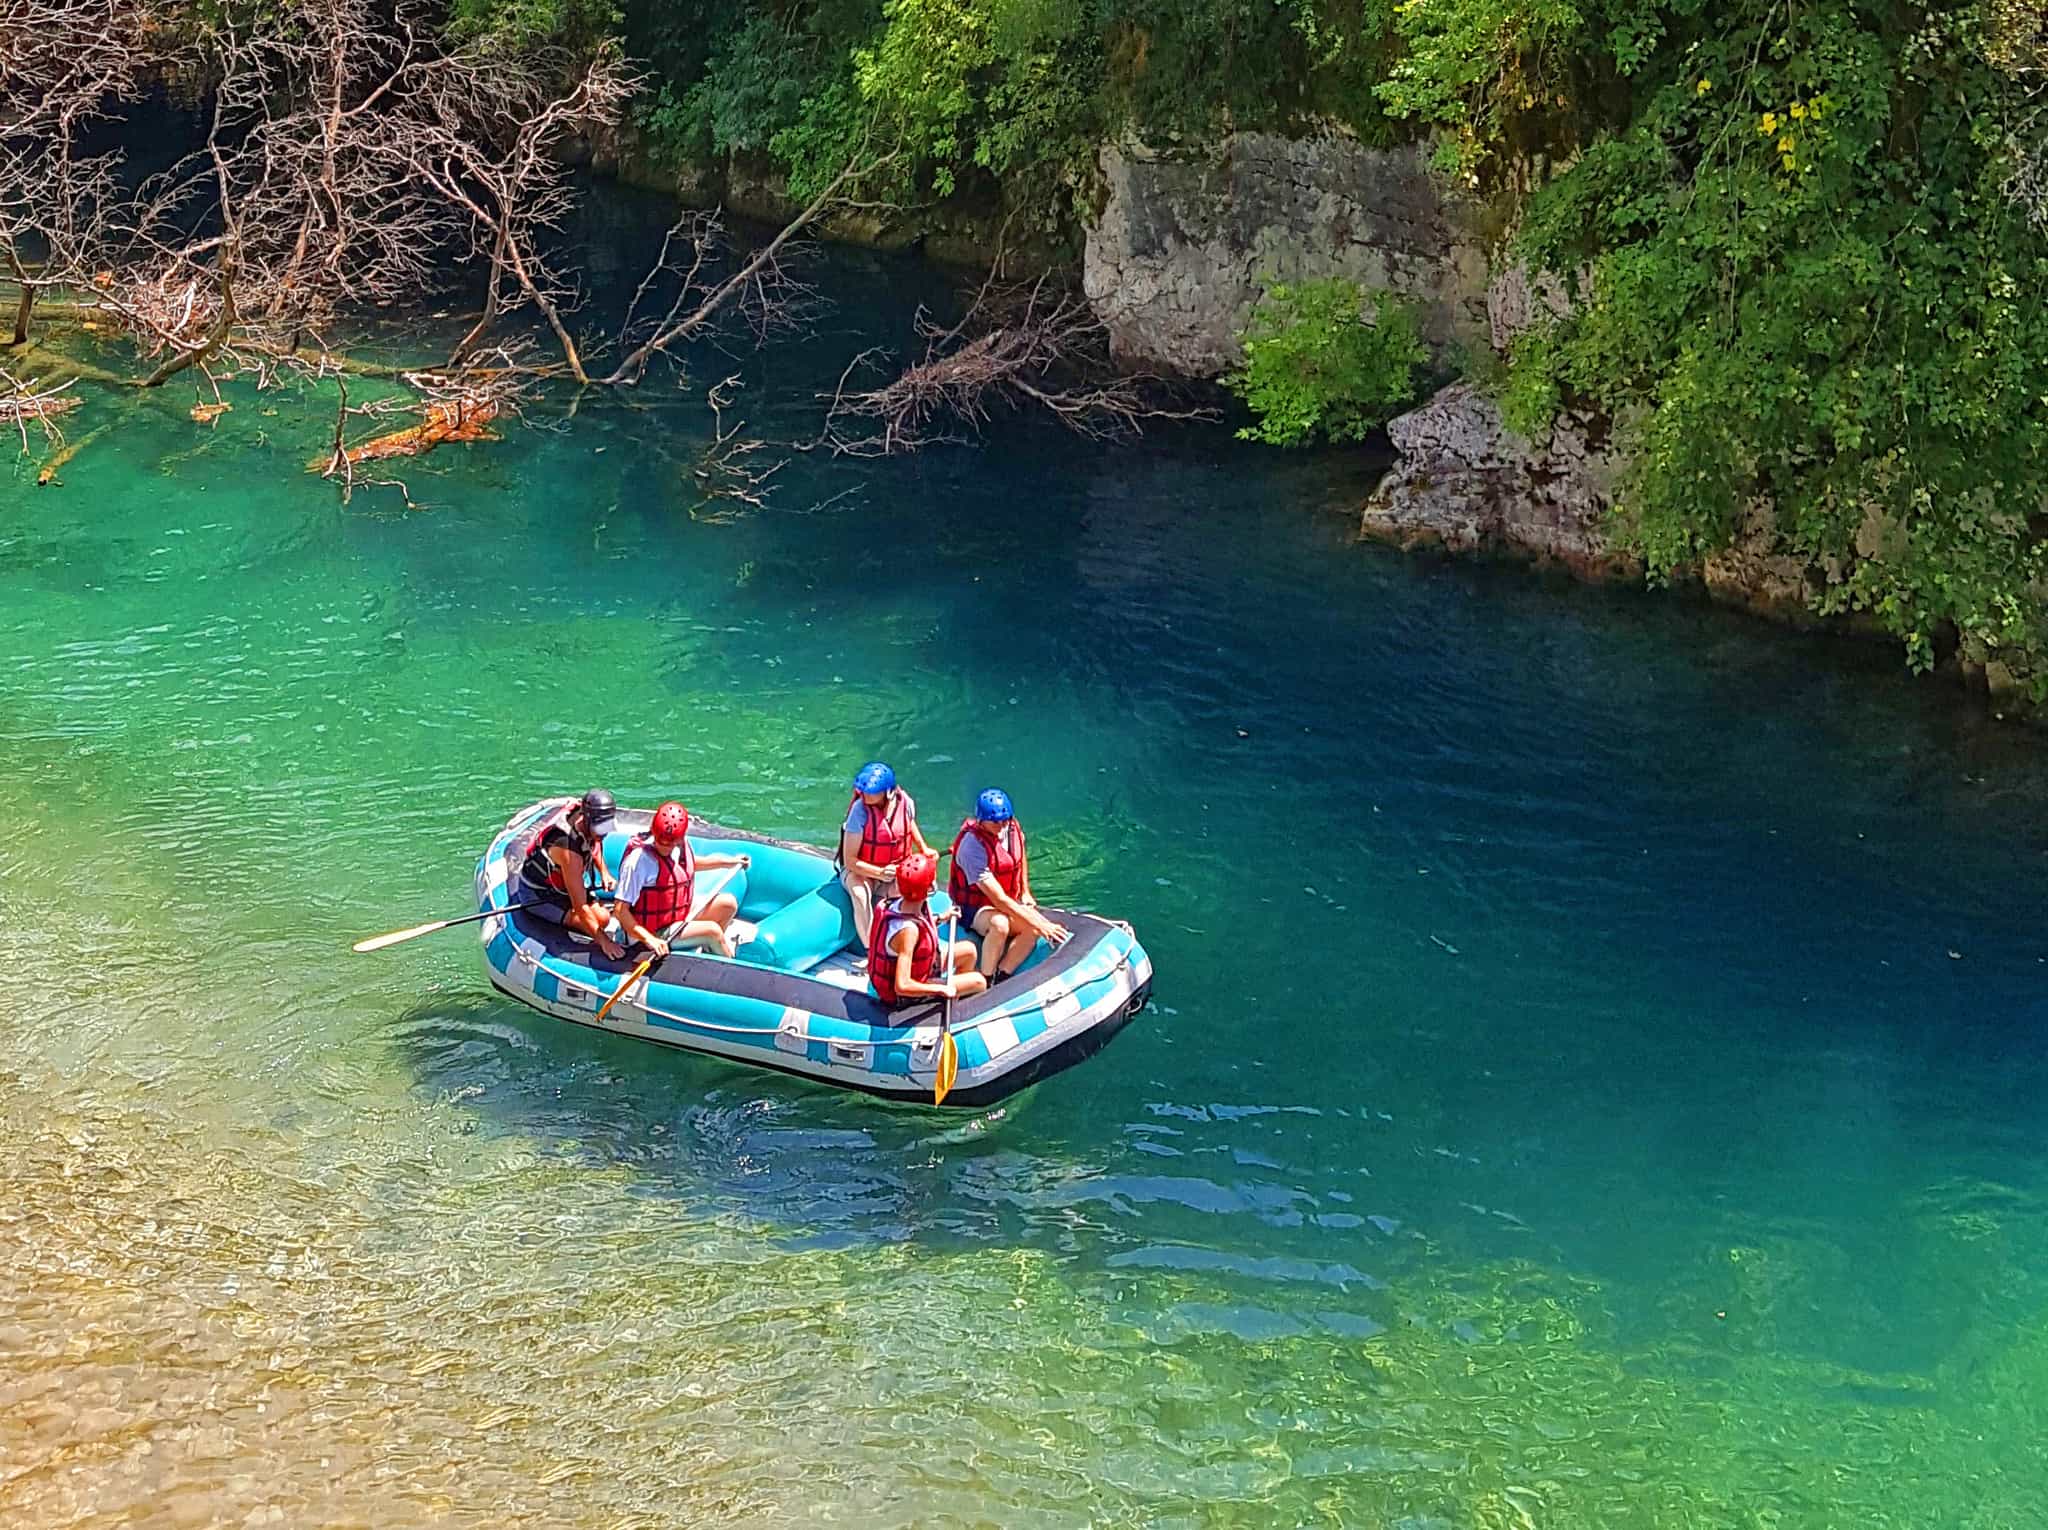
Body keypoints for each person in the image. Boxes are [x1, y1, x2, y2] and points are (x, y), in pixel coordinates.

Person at [948, 788, 1070, 979]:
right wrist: (1042, 923)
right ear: (982, 820)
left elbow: (1018, 858)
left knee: (1032, 927)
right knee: (1000, 924)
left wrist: (1025, 891)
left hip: (1006, 900)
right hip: (973, 907)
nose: (1002, 825)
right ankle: (986, 978)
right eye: (995, 822)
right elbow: (999, 900)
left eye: (1005, 819)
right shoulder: (972, 847)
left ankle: (1003, 974)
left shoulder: (1011, 827)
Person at [612, 800, 751, 960]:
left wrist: (729, 862)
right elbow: (620, 911)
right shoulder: (638, 862)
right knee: (712, 931)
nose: (664, 847)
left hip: (675, 916)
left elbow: (688, 866)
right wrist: (649, 939)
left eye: (669, 844)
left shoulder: (680, 845)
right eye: (660, 841)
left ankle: (710, 955)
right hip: (648, 932)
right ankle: (728, 964)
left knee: (728, 904)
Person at [866, 852, 985, 1009]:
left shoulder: (902, 903)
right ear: (928, 887)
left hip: (923, 969)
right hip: (904, 993)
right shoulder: (908, 932)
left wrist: (943, 917)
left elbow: (921, 925)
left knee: (969, 951)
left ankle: (952, 1002)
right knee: (979, 982)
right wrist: (940, 989)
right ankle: (949, 1003)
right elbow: (902, 985)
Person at [515, 788, 623, 958]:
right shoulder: (568, 850)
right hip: (540, 895)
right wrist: (605, 942)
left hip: (563, 886)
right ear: (587, 820)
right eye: (600, 828)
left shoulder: (585, 822)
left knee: (603, 917)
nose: (604, 833)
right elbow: (580, 907)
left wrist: (604, 872)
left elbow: (594, 844)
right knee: (597, 921)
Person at [838, 761, 935, 947]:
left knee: (911, 892)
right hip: (861, 870)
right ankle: (870, 948)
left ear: (888, 792)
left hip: (894, 868)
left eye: (871, 792)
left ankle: (912, 942)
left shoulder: (904, 802)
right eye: (864, 790)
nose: (865, 795)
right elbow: (850, 861)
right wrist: (879, 873)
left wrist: (923, 847)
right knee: (859, 893)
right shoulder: (859, 811)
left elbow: (908, 823)